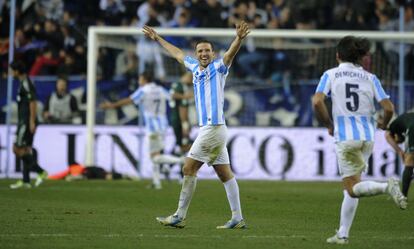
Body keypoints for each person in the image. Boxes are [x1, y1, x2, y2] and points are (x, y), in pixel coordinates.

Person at [142, 21, 250, 229]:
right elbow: (178, 54)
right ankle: (237, 217)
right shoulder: (193, 67)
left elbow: (229, 54)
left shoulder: (219, 68)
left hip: (213, 128)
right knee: (224, 174)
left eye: (207, 50)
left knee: (188, 167)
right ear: (197, 53)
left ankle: (179, 215)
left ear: (212, 53)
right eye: (200, 50)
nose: (204, 53)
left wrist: (238, 39)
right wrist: (158, 38)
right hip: (211, 129)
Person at [312, 36, 407, 244]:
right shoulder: (370, 78)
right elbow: (389, 108)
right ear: (359, 57)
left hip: (346, 138)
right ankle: (343, 234)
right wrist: (383, 123)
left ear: (337, 55)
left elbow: (317, 101)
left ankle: (387, 187)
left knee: (351, 188)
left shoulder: (331, 74)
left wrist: (328, 124)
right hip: (367, 137)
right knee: (353, 186)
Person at [100, 72, 184, 189]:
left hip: (152, 127)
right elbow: (172, 96)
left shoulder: (144, 90)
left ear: (144, 79)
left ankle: (181, 160)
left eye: (140, 78)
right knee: (157, 154)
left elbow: (129, 100)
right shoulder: (159, 89)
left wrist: (112, 105)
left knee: (154, 157)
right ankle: (156, 182)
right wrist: (186, 96)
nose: (139, 80)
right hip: (163, 125)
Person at [9, 61, 48, 189]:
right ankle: (26, 181)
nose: (10, 73)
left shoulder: (26, 83)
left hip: (26, 121)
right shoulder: (22, 83)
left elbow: (33, 102)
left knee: (17, 149)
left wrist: (31, 121)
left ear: (17, 71)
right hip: (24, 120)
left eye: (12, 70)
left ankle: (41, 172)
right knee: (25, 150)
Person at [385, 112, 414, 198]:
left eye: (398, 141)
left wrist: (399, 151)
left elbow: (387, 135)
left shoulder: (394, 126)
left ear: (396, 135)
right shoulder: (404, 121)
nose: (398, 142)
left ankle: (403, 196)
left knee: (409, 161)